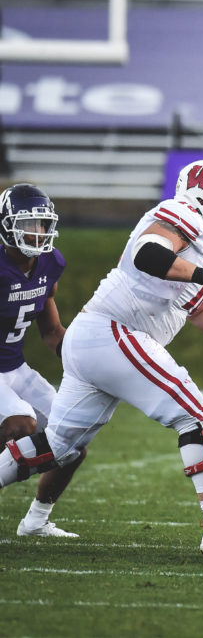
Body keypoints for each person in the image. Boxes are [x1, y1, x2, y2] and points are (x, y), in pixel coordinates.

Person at [0, 160, 203, 556]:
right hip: (114, 331)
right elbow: (147, 255)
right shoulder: (181, 213)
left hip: (98, 338)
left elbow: (199, 309)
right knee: (195, 415)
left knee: (59, 446)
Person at [0, 184, 80, 538]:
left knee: (75, 439)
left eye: (42, 224)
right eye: (29, 224)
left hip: (15, 368)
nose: (38, 232)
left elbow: (52, 332)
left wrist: (90, 364)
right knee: (22, 425)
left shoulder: (51, 262)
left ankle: (36, 522)